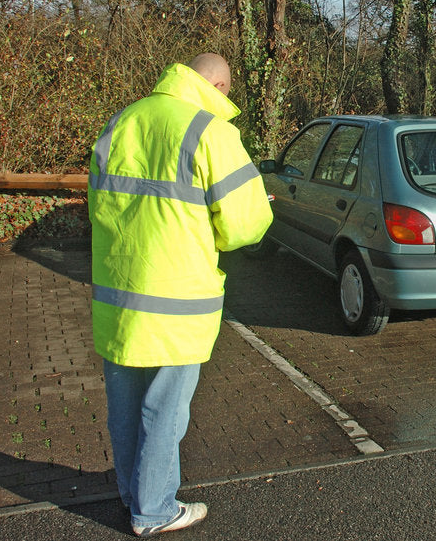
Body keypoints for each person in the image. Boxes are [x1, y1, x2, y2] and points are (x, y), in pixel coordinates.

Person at [88, 53, 272, 537]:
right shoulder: (211, 131)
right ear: (216, 83)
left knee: (125, 405)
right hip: (177, 299)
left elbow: (97, 207)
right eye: (227, 90)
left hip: (118, 295)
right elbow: (244, 225)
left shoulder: (122, 121)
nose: (226, 99)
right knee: (165, 409)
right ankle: (154, 511)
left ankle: (133, 494)